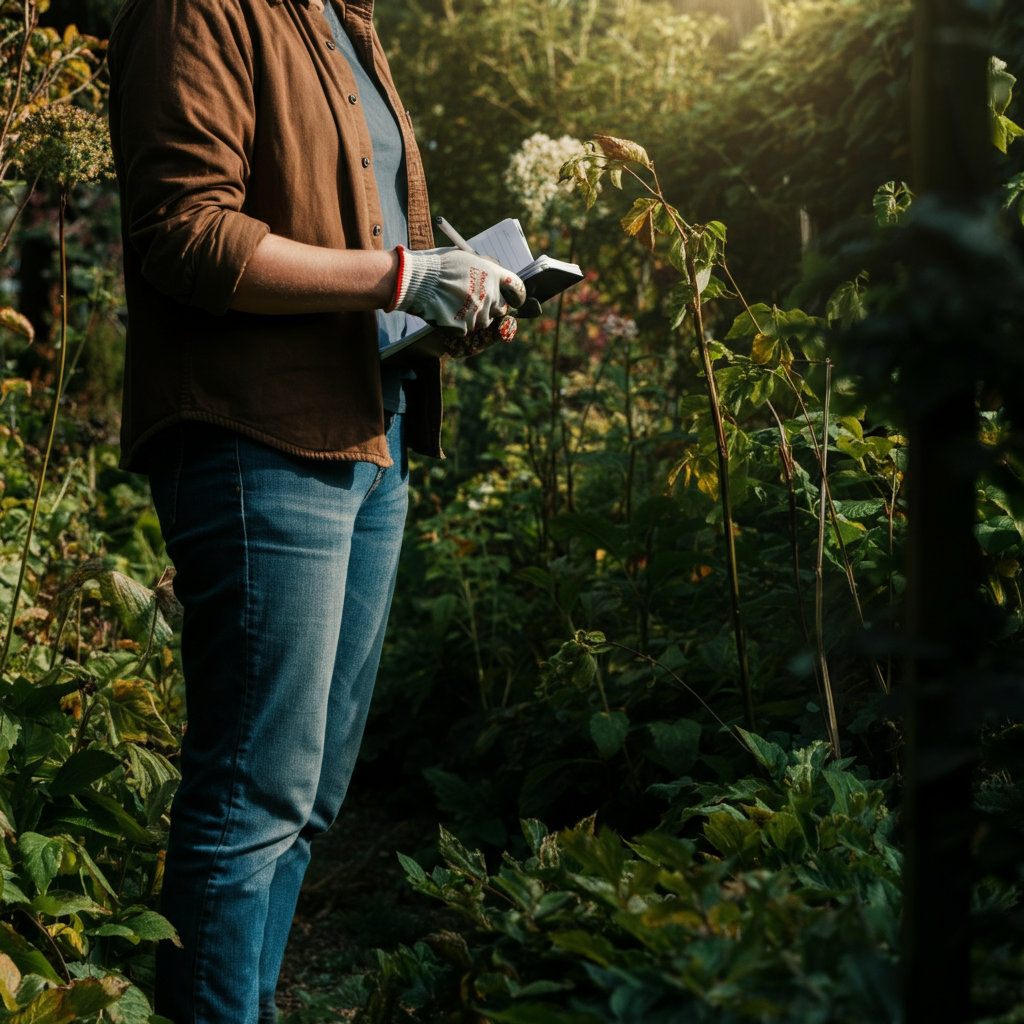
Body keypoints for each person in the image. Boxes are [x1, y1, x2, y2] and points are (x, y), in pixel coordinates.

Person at [106, 1, 526, 1021]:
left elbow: (360, 254)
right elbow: (186, 232)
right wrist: (404, 274)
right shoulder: (201, 8)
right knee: (253, 795)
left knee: (304, 801)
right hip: (259, 438)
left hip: (367, 429)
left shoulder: (344, 24)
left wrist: (438, 302)